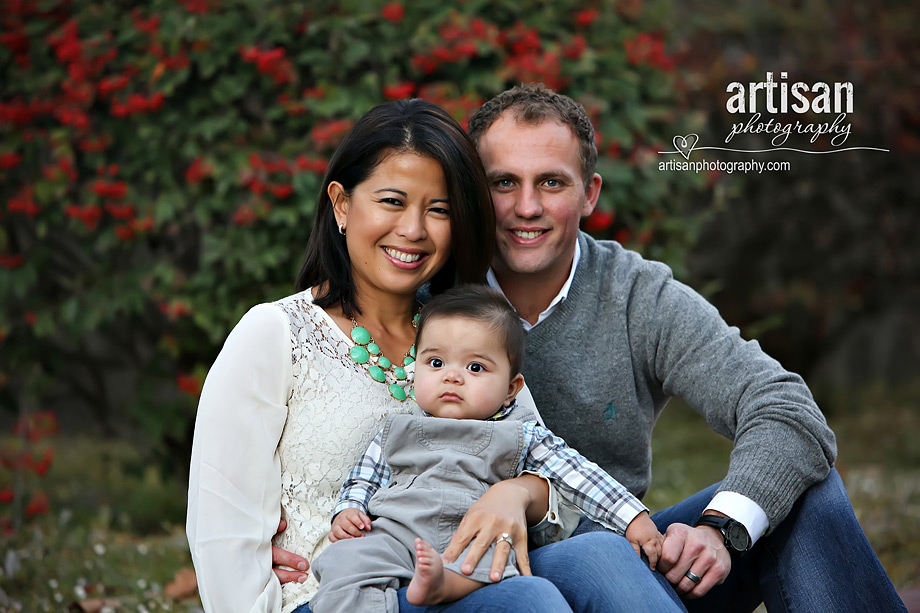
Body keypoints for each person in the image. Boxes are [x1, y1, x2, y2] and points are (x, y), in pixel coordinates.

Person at [460, 83, 908, 612]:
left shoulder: (636, 296)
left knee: (806, 495)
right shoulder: (438, 298)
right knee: (595, 553)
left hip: (630, 567)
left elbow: (784, 406)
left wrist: (723, 529)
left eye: (551, 182)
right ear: (473, 192)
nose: (526, 206)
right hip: (486, 577)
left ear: (590, 194)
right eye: (504, 183)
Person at [186, 99, 575, 613]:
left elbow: (562, 495)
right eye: (392, 201)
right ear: (342, 205)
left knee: (600, 555)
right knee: (530, 601)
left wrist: (520, 493)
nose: (414, 229)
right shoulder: (277, 333)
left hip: (461, 579)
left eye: (438, 210)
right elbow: (222, 531)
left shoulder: (461, 335)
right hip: (337, 597)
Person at [308, 286, 674, 612]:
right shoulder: (399, 428)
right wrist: (350, 509)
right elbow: (365, 474)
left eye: (475, 367)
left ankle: (445, 584)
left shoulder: (521, 435)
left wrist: (633, 518)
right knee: (343, 559)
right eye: (435, 362)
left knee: (499, 559)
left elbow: (579, 475)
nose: (452, 376)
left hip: (471, 534)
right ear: (415, 367)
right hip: (396, 533)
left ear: (511, 388)